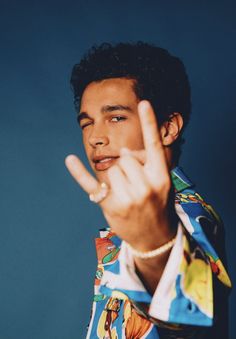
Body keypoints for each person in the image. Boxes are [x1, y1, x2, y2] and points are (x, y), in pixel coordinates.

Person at [65, 42, 231, 338]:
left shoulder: (185, 214)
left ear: (168, 128)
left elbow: (195, 318)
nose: (95, 137)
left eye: (116, 117)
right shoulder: (131, 218)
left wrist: (155, 245)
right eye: (87, 123)